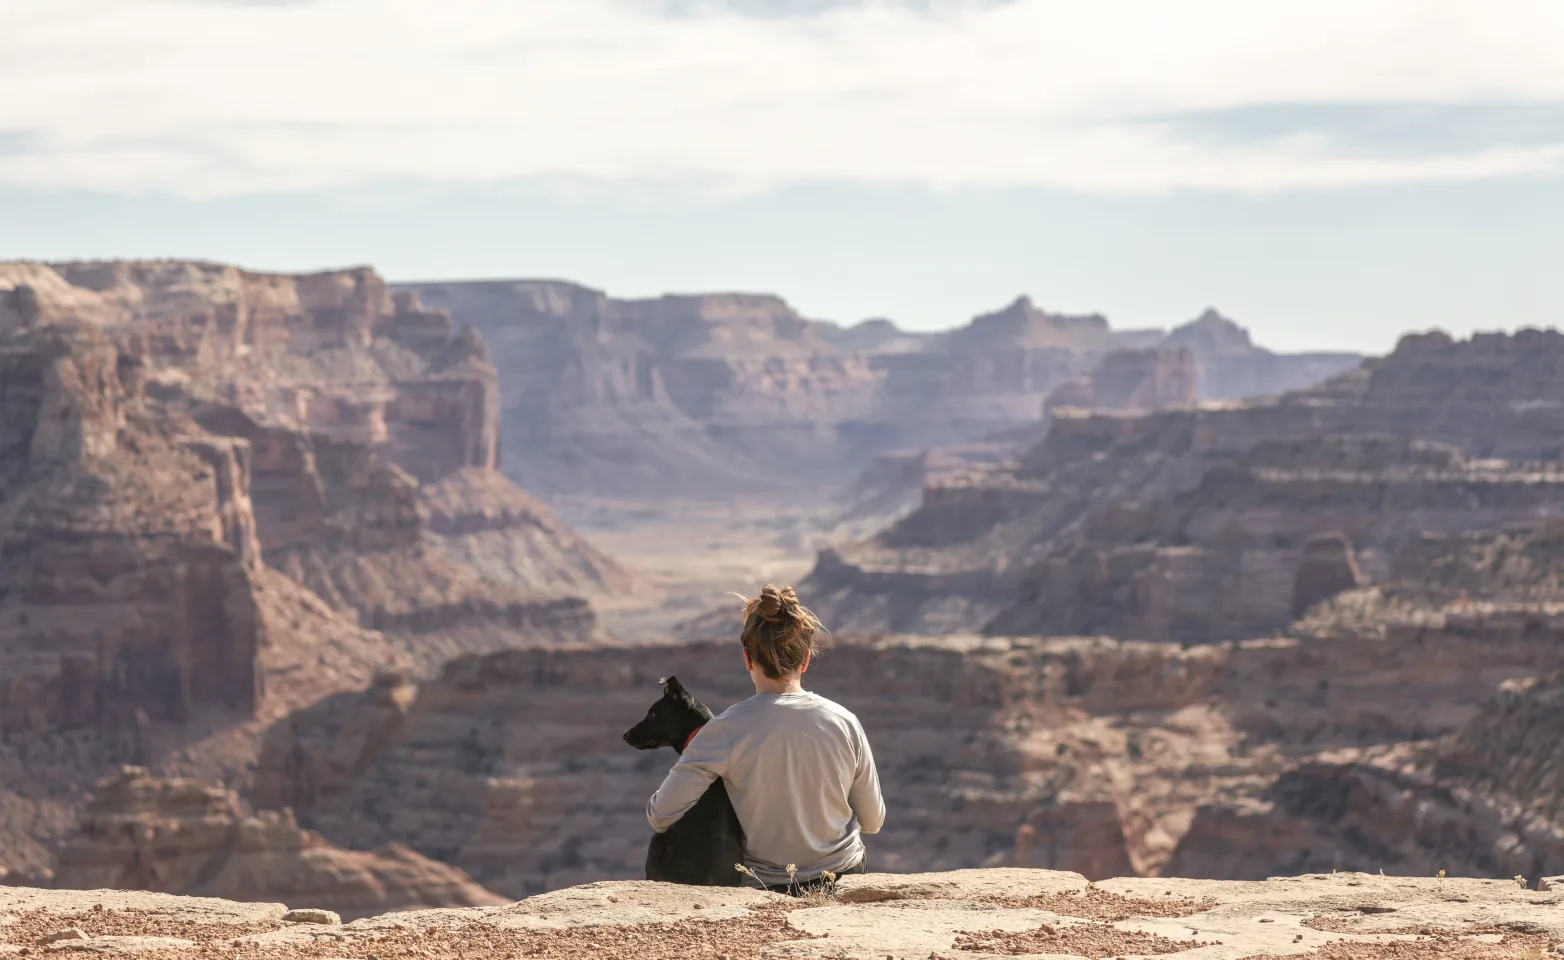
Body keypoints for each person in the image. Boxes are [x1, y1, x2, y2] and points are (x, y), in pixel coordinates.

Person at [645, 584, 885, 891]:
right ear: (806, 660)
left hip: (769, 886)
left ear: (747, 658)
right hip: (842, 876)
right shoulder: (845, 722)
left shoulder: (723, 731)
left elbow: (660, 815)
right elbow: (873, 822)